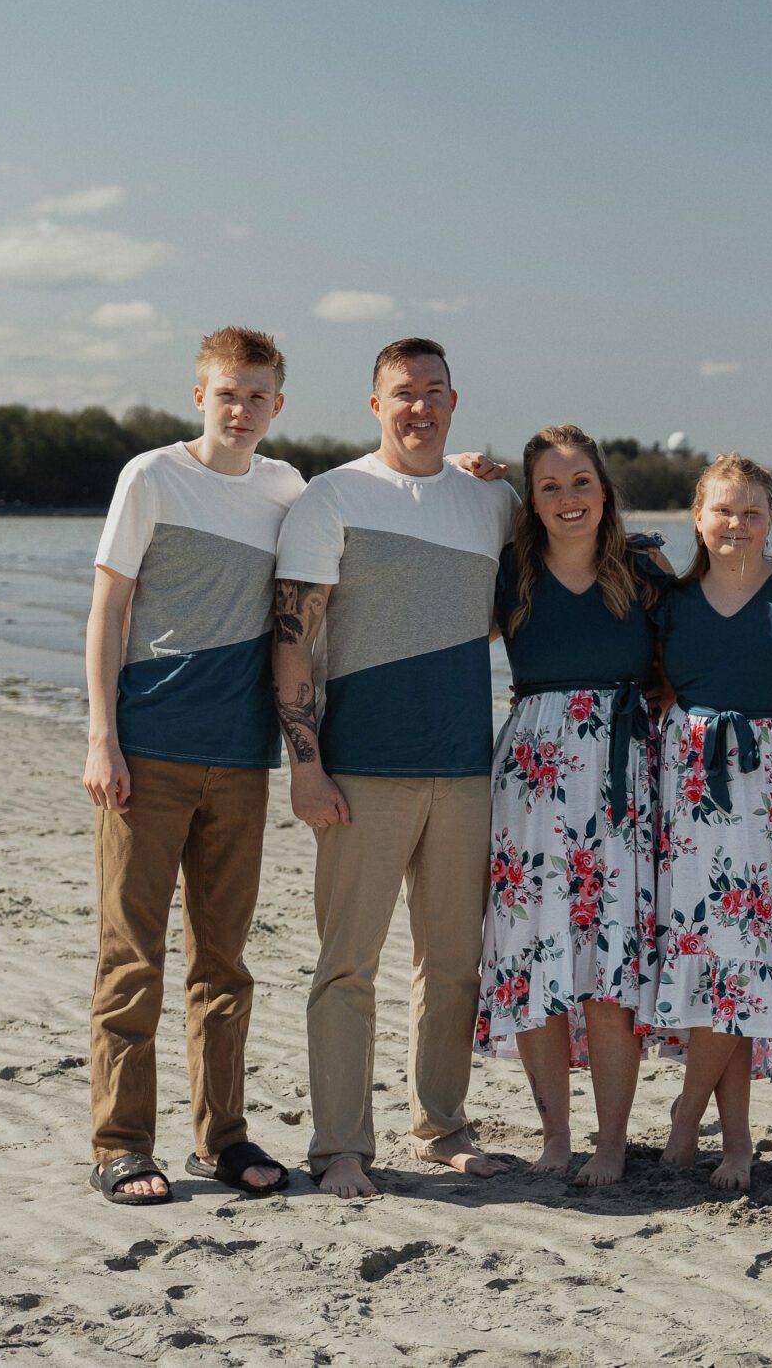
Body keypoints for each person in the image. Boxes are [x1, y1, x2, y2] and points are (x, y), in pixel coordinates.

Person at [271, 336, 521, 1199]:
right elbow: (293, 640)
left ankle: (442, 1125)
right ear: (375, 404)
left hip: (463, 769)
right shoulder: (329, 497)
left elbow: (540, 583)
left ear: (455, 401)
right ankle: (341, 1144)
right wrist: (305, 765)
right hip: (361, 771)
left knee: (453, 963)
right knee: (348, 962)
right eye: (402, 393)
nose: (419, 405)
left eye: (434, 392)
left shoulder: (494, 504)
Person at [81, 326, 301, 1205]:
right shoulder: (151, 476)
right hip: (150, 751)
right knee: (132, 957)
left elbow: (373, 509)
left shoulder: (288, 489)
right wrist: (102, 735)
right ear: (199, 396)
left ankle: (224, 1136)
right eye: (226, 393)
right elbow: (108, 607)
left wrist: (467, 469)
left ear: (278, 405)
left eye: (257, 395)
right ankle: (122, 1142)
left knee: (225, 963)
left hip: (241, 760)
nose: (240, 409)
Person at [473, 425, 672, 1187]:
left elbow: (697, 657)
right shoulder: (511, 572)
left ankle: (613, 1140)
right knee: (536, 957)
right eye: (550, 486)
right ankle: (555, 1133)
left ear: (604, 488)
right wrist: (472, 475)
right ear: (531, 499)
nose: (568, 498)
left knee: (611, 966)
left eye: (581, 481)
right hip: (531, 777)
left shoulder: (643, 568)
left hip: (624, 779)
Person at [642, 455, 772, 1189]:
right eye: (724, 510)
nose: (738, 524)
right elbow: (656, 685)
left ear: (771, 518)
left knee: (752, 961)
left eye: (753, 512)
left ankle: (695, 1113)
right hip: (692, 790)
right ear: (698, 515)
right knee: (716, 962)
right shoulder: (671, 598)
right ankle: (736, 1138)